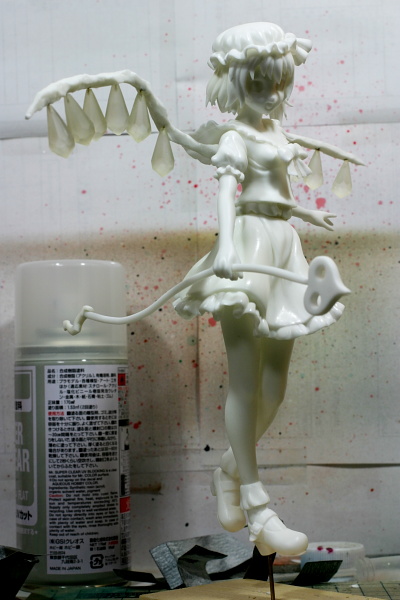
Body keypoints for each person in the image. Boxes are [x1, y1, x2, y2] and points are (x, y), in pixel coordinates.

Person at [26, 21, 362, 557]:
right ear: (235, 83)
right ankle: (257, 506)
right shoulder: (234, 137)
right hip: (249, 247)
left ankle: (229, 469)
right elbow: (228, 193)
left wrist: (299, 213)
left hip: (285, 247)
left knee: (275, 387)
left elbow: (274, 188)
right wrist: (226, 246)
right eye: (260, 83)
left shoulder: (278, 133)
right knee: (247, 384)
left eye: (279, 82)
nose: (272, 93)